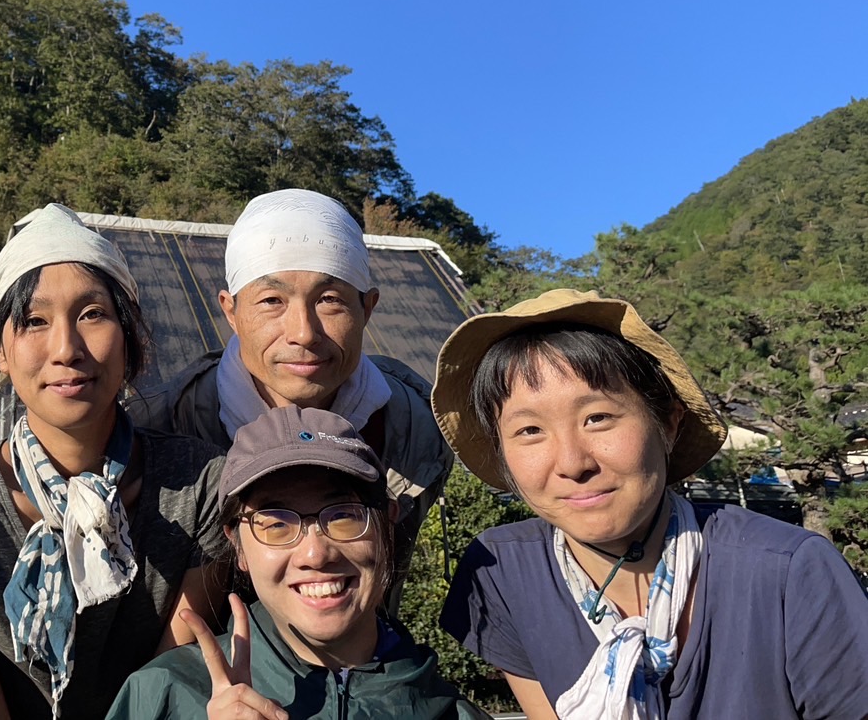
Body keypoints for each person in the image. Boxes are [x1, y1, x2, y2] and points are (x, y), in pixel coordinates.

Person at [433, 288, 868, 720]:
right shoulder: (503, 572)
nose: (572, 463)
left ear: (669, 422)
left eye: (597, 418)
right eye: (529, 430)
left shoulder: (788, 572)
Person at [0, 203, 227, 720]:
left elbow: (170, 688)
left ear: (129, 337)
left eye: (93, 315)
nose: (66, 348)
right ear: (2, 351)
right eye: (35, 321)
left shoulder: (200, 486)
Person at [135, 188, 452, 607]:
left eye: (330, 300)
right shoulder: (156, 429)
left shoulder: (419, 430)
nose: (303, 332)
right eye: (272, 301)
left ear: (368, 309)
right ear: (231, 312)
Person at [108, 404, 488, 720]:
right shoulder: (165, 694)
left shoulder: (449, 712)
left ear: (387, 526)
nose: (315, 554)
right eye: (276, 523)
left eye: (343, 515)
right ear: (237, 546)